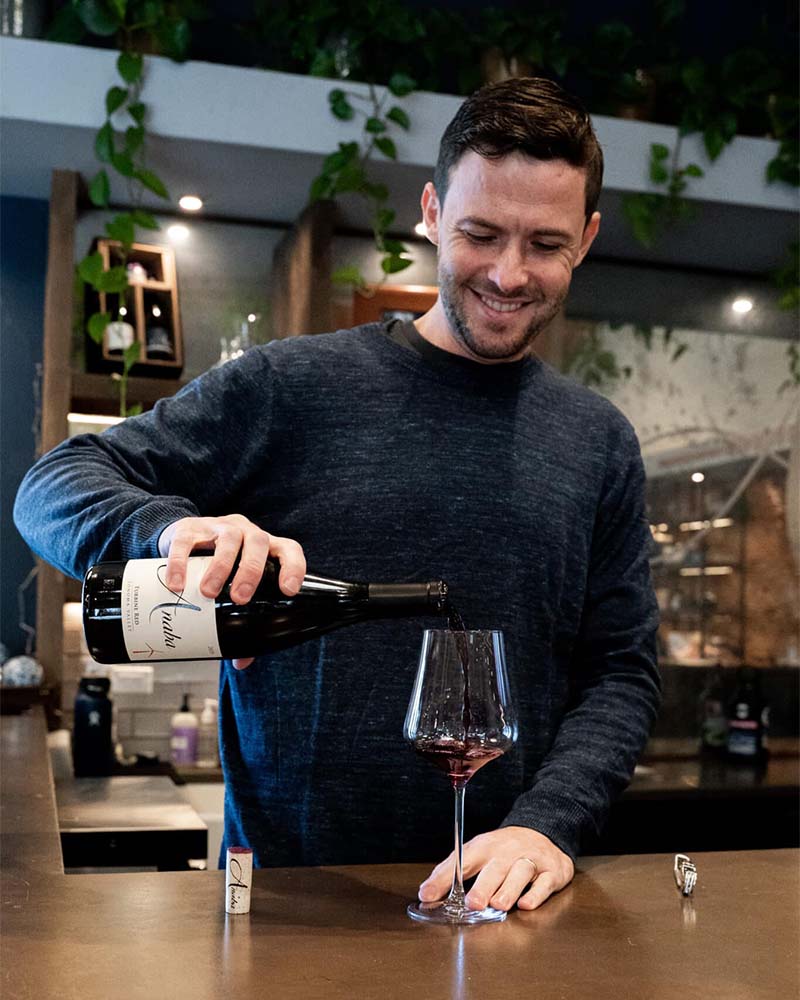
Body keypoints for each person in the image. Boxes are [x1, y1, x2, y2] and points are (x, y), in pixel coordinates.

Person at [14, 77, 660, 912]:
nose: (508, 272)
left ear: (588, 237)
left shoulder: (597, 439)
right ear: (430, 210)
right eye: (480, 233)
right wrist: (168, 532)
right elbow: (51, 485)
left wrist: (550, 823)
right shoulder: (294, 385)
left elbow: (621, 673)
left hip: (499, 909)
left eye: (545, 243)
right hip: (285, 903)